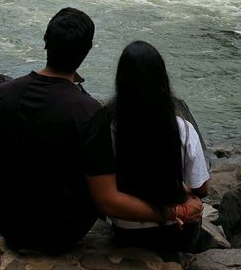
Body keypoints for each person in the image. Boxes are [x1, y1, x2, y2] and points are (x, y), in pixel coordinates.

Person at [0, 9, 202, 255]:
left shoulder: (4, 93)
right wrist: (175, 211)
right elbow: (107, 200)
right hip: (59, 232)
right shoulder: (88, 112)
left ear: (46, 40)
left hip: (7, 224)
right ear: (86, 52)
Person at [83, 40, 210, 255]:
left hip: (126, 231)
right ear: (163, 80)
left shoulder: (108, 128)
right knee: (193, 202)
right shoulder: (182, 129)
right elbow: (202, 189)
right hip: (177, 233)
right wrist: (183, 192)